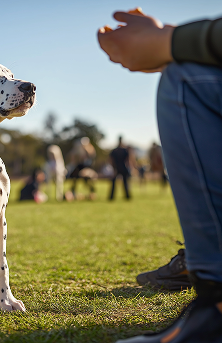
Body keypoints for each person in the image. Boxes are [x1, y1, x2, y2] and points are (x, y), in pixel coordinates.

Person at [98, 8, 222, 343]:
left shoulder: (126, 151)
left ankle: (218, 296)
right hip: (123, 172)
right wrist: (166, 36)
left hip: (128, 171)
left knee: (186, 76)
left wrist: (170, 41)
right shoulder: (118, 150)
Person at [109, 136, 131, 200]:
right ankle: (127, 196)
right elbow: (128, 161)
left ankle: (112, 197)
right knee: (125, 182)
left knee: (117, 182)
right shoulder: (124, 150)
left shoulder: (115, 150)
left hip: (117, 168)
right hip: (122, 167)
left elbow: (111, 160)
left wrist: (113, 168)